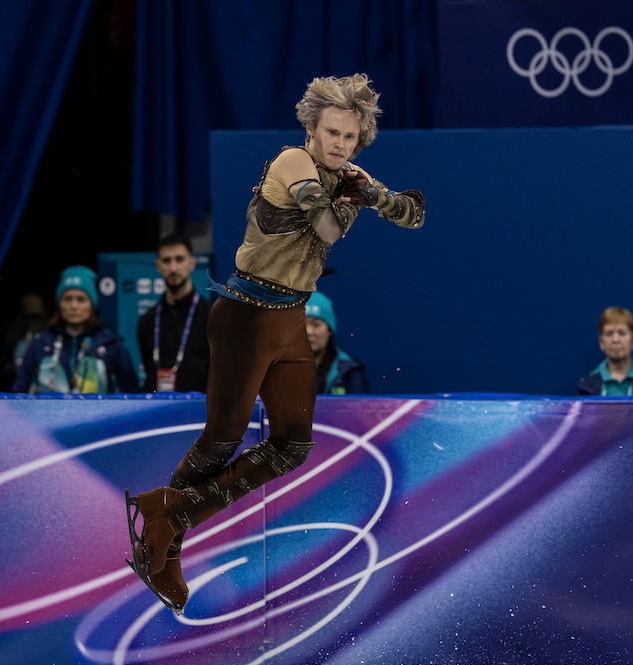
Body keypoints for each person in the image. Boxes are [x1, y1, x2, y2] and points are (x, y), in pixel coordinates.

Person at [124, 73, 425, 614]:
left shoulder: (347, 174)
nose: (339, 144)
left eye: (349, 138)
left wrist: (376, 192)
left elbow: (414, 215)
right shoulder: (293, 162)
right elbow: (328, 231)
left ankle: (170, 519)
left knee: (292, 445)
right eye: (331, 132)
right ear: (311, 128)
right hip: (243, 315)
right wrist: (365, 193)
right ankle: (162, 547)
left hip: (289, 320)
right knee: (223, 438)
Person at [12, 265, 139, 394]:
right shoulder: (41, 342)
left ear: (92, 304)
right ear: (59, 304)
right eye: (67, 299)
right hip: (49, 413)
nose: (74, 306)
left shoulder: (111, 345)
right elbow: (20, 391)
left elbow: (130, 395)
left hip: (99, 414)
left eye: (81, 299)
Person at [136, 233, 211, 393]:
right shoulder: (147, 321)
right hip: (156, 411)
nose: (173, 268)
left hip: (198, 413)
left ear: (192, 263)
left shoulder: (211, 316)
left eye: (179, 259)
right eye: (166, 260)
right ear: (158, 266)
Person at [576, 306, 633, 397]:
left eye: (622, 333)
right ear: (601, 343)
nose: (615, 340)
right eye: (609, 334)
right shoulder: (588, 386)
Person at [306, 291, 369, 395]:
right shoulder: (275, 370)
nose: (309, 332)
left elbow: (360, 409)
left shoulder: (348, 373)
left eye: (316, 325)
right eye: (302, 324)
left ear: (330, 330)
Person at [0, 291, 51, 391]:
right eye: (29, 304)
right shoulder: (16, 327)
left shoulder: (51, 331)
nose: (32, 306)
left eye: (35, 303)